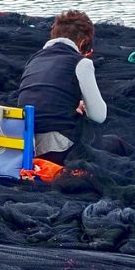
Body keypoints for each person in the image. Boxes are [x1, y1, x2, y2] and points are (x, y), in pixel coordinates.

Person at [15, 10, 107, 160]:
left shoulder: (34, 59)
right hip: (56, 148)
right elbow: (99, 116)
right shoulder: (81, 63)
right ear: (83, 42)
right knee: (114, 144)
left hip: (25, 142)